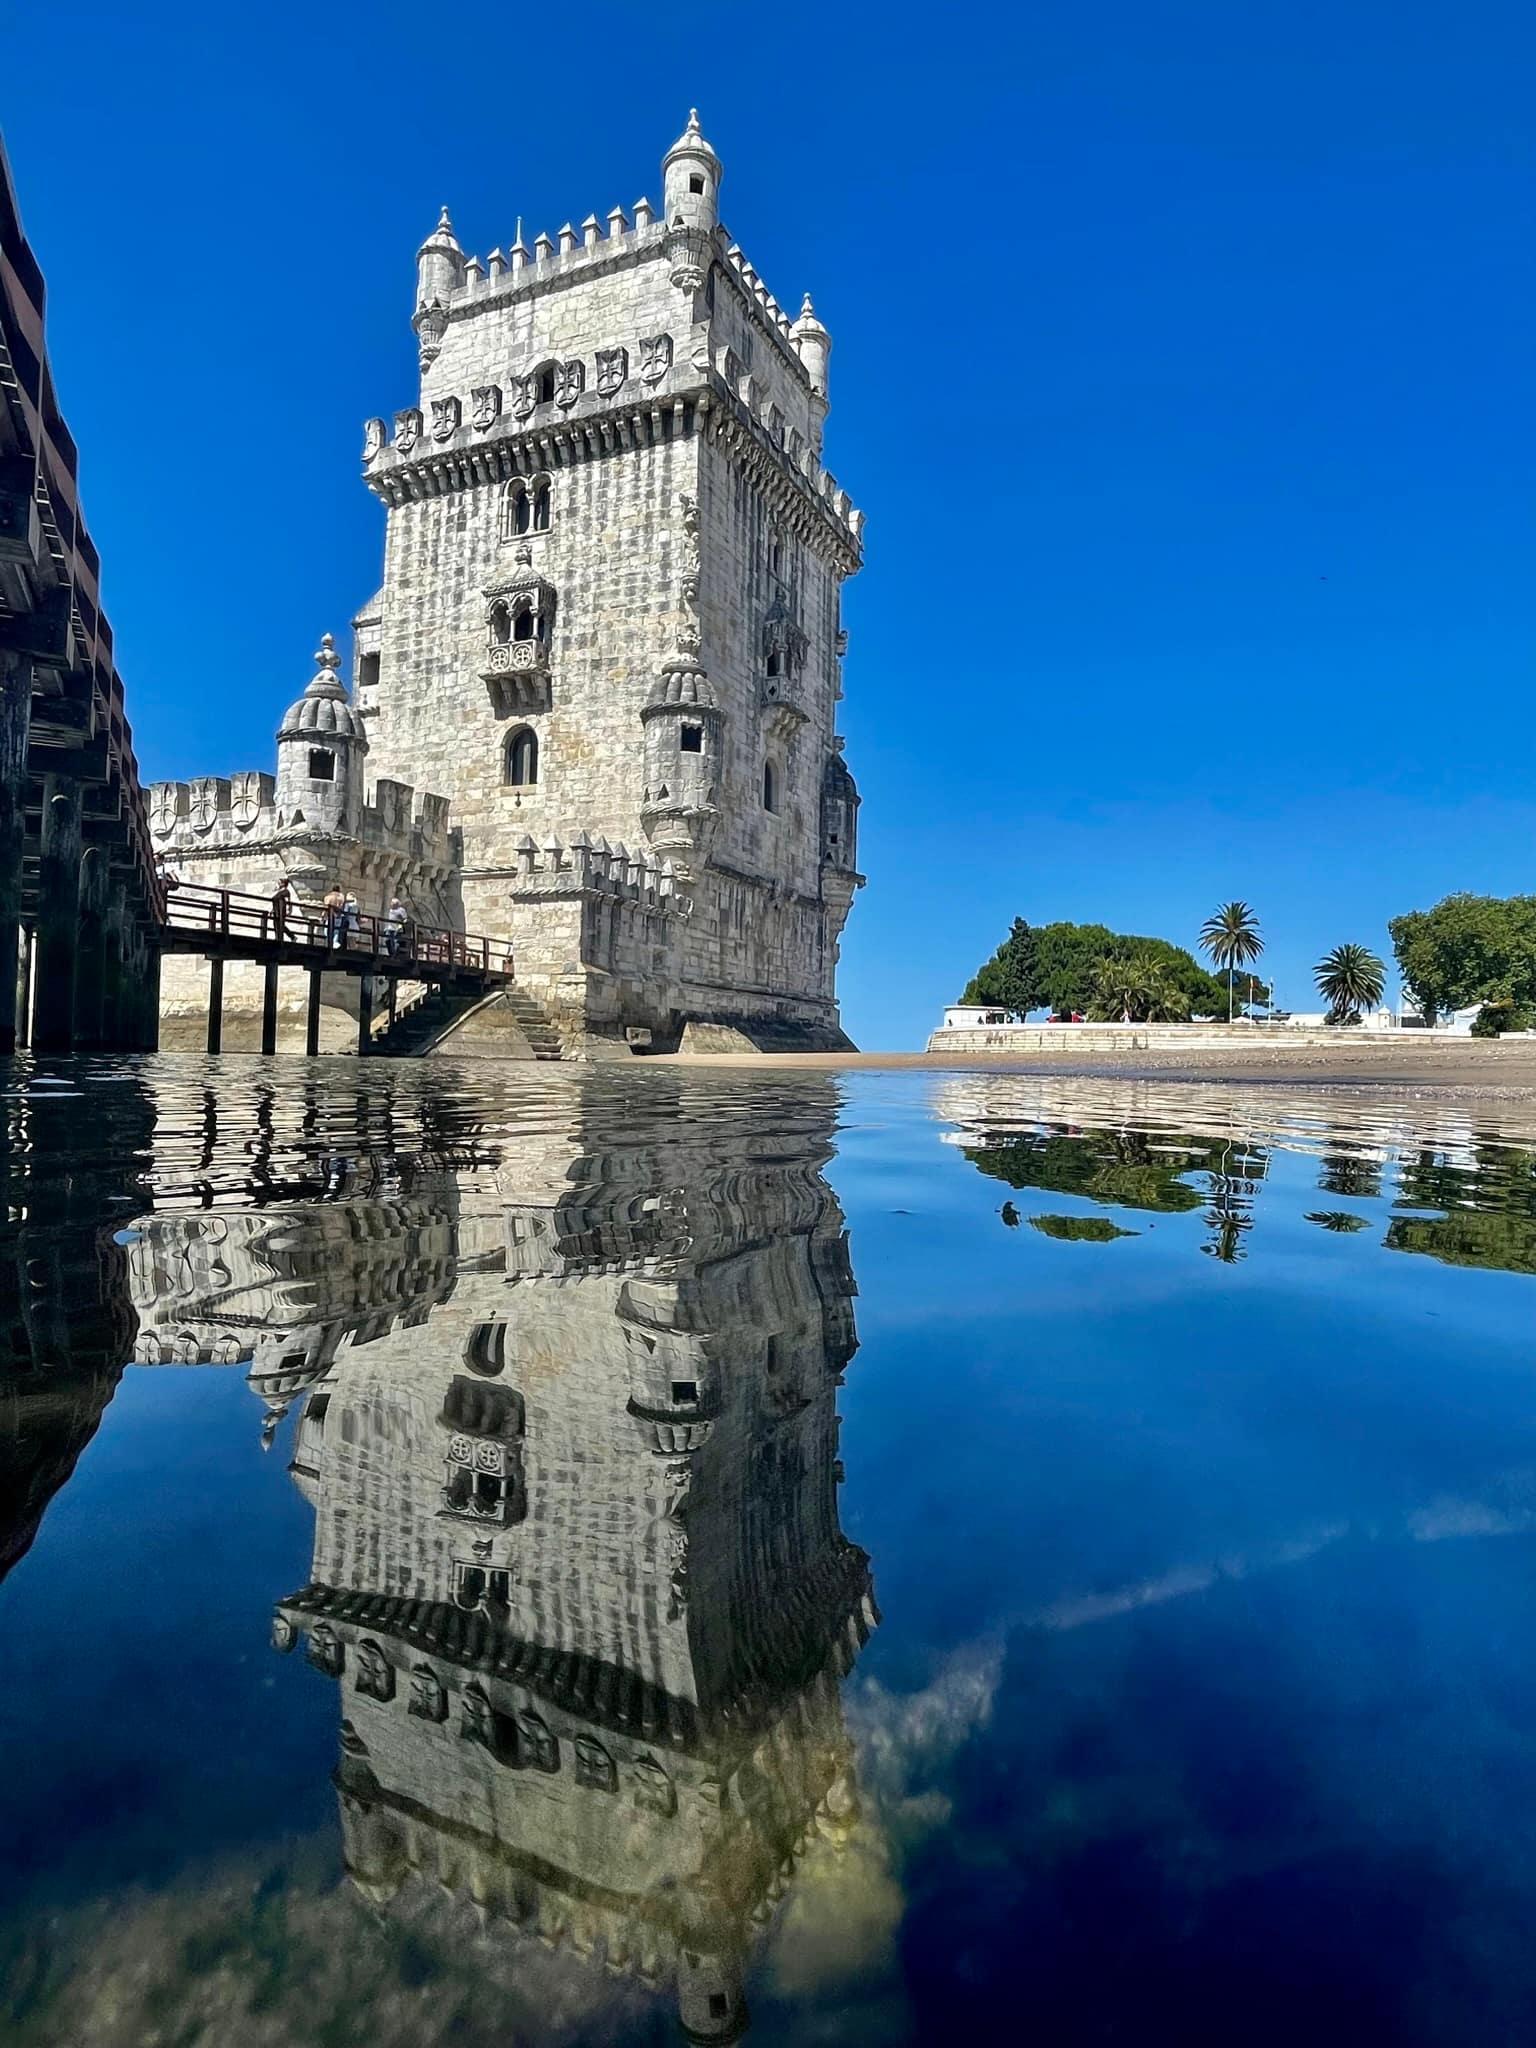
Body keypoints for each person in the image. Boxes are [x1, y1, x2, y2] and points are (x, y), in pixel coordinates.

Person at [323, 883, 346, 949]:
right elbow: (342, 907)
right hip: (338, 915)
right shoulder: (341, 898)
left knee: (327, 930)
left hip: (330, 916)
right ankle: (335, 943)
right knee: (336, 931)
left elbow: (326, 907)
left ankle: (329, 943)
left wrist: (322, 916)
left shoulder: (328, 897)